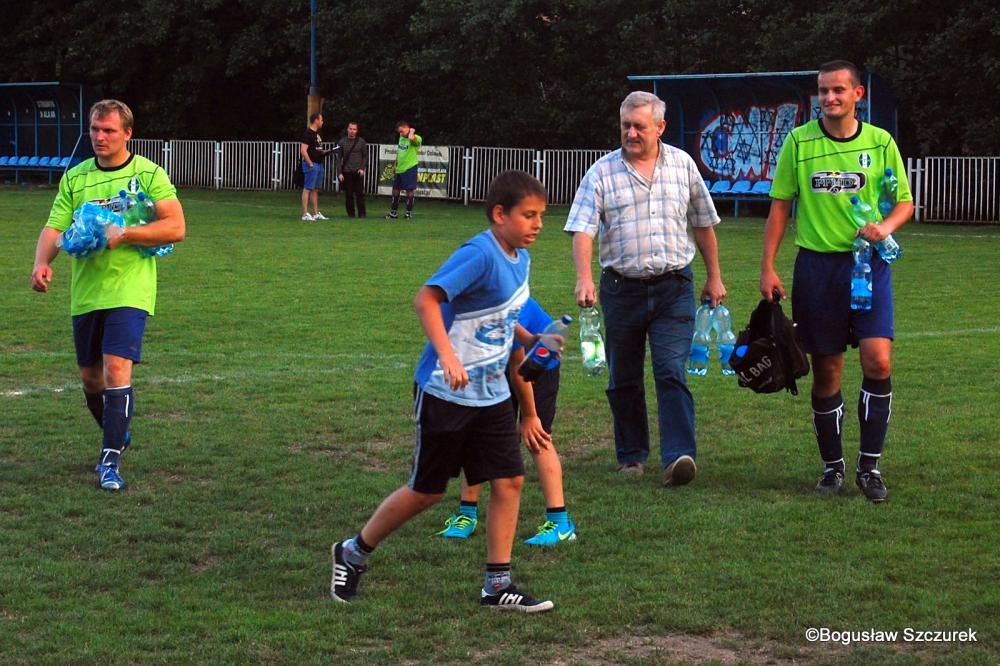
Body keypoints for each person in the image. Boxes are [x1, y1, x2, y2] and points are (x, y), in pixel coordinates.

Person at [332, 170, 554, 613]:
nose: (538, 224)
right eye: (529, 215)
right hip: (445, 392)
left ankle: (496, 585)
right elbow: (427, 299)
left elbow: (502, 317)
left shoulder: (521, 258)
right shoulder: (479, 254)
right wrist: (448, 356)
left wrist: (530, 339)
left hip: (491, 393)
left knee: (509, 480)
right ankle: (352, 552)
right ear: (499, 214)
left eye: (541, 216)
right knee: (427, 491)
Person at [759, 60, 913, 503]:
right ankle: (832, 467)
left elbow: (904, 202)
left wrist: (884, 227)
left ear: (857, 94)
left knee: (878, 361)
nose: (829, 98)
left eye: (838, 90)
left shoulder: (880, 142)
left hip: (868, 267)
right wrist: (768, 267)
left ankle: (870, 467)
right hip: (817, 270)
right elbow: (780, 207)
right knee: (827, 370)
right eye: (823, 91)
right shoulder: (798, 142)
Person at [564, 90, 726, 487]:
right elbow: (583, 229)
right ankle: (631, 456)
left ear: (660, 127)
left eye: (639, 126)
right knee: (624, 376)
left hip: (675, 287)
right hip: (621, 289)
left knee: (671, 370)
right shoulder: (601, 172)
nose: (631, 133)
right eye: (626, 125)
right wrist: (584, 277)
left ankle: (678, 458)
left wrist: (715, 276)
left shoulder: (683, 165)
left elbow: (703, 223)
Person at [29, 99, 186, 492]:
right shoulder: (76, 178)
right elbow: (54, 228)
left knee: (116, 368)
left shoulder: (148, 174)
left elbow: (176, 227)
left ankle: (110, 461)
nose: (100, 137)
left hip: (130, 290)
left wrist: (127, 234)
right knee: (90, 380)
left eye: (109, 130)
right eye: (95, 129)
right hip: (86, 292)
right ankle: (117, 432)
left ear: (127, 133)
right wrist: (41, 262)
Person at [436, 297, 577, 546]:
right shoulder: (452, 304)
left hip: (536, 362)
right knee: (477, 434)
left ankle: (560, 523)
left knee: (536, 437)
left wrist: (530, 417)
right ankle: (466, 514)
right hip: (495, 365)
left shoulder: (502, 307)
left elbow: (518, 366)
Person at [300, 112, 337, 221]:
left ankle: (315, 213)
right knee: (307, 188)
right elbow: (303, 150)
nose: (322, 122)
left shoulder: (317, 135)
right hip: (311, 164)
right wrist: (310, 163)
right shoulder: (308, 134)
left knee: (315, 189)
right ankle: (305, 214)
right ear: (316, 120)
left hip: (319, 163)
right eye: (321, 120)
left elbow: (317, 150)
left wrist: (326, 152)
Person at [384, 121, 422, 220]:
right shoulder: (401, 137)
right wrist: (395, 165)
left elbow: (412, 139)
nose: (400, 133)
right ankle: (393, 213)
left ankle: (408, 213)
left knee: (410, 190)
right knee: (395, 190)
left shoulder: (417, 137)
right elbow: (399, 151)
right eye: (399, 132)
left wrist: (411, 132)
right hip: (399, 169)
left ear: (407, 128)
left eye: (402, 131)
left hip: (409, 168)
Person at [337, 121, 368, 218]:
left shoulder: (361, 141)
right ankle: (351, 214)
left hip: (358, 172)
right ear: (347, 129)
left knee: (360, 194)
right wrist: (339, 173)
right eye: (350, 129)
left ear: (357, 130)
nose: (352, 131)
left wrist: (362, 168)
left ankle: (362, 214)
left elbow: (365, 156)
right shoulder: (342, 142)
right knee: (349, 194)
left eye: (354, 129)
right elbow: (338, 158)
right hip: (347, 171)